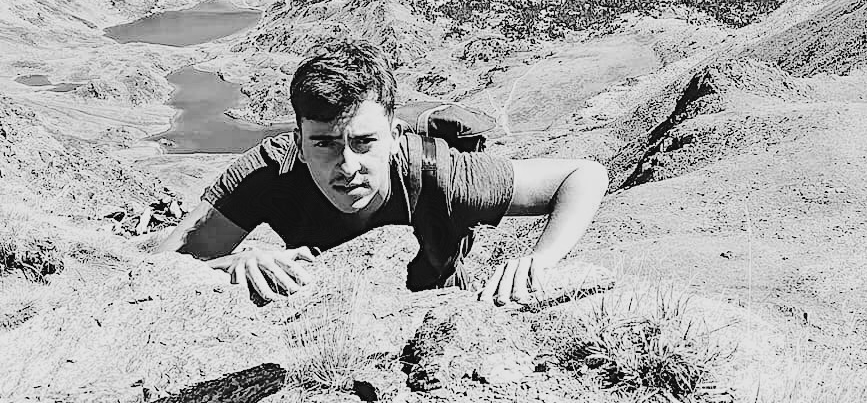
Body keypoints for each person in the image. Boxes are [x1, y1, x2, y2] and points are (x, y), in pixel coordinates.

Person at [159, 39, 608, 305]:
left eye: (364, 142)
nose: (347, 165)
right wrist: (233, 263)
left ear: (394, 136)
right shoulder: (267, 174)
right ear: (298, 141)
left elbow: (583, 177)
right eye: (324, 143)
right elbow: (165, 266)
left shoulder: (439, 173)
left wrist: (539, 262)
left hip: (435, 310)